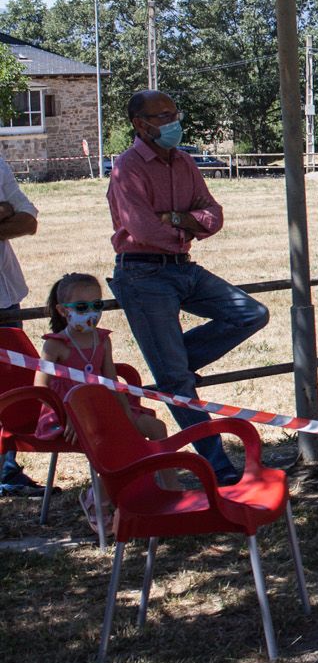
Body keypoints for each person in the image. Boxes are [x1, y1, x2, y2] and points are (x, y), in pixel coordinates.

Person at [107, 89, 268, 487]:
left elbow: (213, 214)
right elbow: (141, 227)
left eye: (174, 112)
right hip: (142, 273)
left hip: (182, 266)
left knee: (250, 313)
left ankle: (172, 366)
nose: (172, 121)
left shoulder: (184, 162)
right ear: (139, 124)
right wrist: (186, 228)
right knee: (178, 382)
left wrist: (176, 218)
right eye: (162, 116)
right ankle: (220, 467)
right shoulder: (126, 168)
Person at [36, 272, 175, 528]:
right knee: (119, 443)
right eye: (81, 307)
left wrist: (124, 413)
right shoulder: (54, 346)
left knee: (156, 429)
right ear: (63, 310)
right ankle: (96, 500)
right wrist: (70, 415)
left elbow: (111, 382)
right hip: (66, 416)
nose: (91, 312)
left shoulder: (102, 339)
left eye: (96, 305)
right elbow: (41, 387)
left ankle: (172, 494)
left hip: (105, 408)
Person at [0, 153, 41, 497]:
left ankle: (7, 468)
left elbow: (28, 221)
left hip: (5, 295)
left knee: (12, 386)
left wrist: (11, 214)